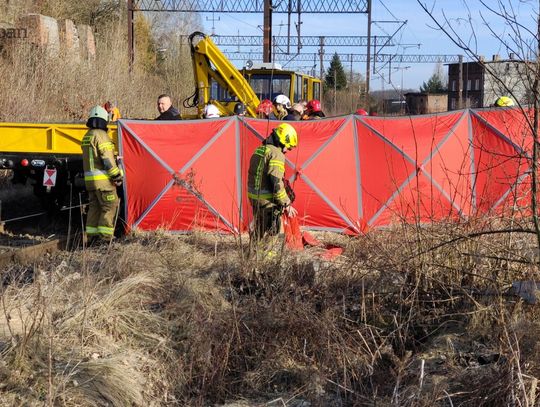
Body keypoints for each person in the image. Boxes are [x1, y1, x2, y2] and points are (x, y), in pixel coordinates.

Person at [247, 123, 298, 248]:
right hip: (267, 200)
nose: (287, 151)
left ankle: (252, 254)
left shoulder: (260, 149)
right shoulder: (277, 154)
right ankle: (268, 259)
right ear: (282, 140)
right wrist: (286, 204)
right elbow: (275, 182)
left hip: (254, 197)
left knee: (259, 228)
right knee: (273, 231)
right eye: (288, 147)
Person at [81, 106, 123, 244]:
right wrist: (117, 176)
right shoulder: (102, 136)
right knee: (109, 206)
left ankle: (91, 238)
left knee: (94, 208)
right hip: (104, 182)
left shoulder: (87, 135)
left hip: (90, 182)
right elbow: (107, 160)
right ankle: (105, 239)